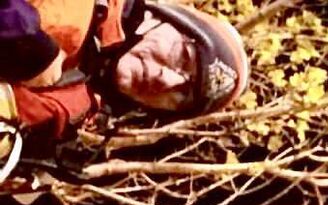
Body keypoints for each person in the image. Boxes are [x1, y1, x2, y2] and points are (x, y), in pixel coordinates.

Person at [0, 0, 249, 159]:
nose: (167, 79)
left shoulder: (65, 116)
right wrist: (22, 39)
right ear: (159, 18)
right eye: (182, 56)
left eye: (182, 94)